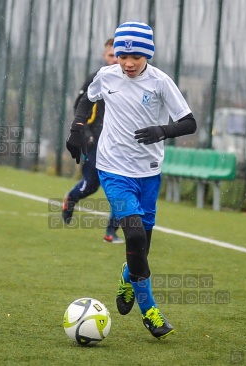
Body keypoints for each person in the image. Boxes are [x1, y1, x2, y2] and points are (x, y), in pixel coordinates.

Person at [66, 21, 196, 339]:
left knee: (141, 249)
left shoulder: (161, 82)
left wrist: (161, 131)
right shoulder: (107, 75)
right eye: (123, 56)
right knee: (134, 237)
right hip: (113, 170)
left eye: (135, 57)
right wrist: (77, 127)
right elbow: (88, 98)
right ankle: (150, 312)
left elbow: (189, 122)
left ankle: (128, 277)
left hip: (149, 173)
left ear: (147, 54)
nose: (127, 63)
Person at [62, 38, 124, 244]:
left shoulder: (130, 80)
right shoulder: (96, 78)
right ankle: (71, 198)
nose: (115, 60)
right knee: (91, 185)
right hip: (95, 141)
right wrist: (85, 133)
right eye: (111, 55)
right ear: (104, 56)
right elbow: (79, 107)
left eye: (119, 55)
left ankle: (110, 231)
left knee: (121, 187)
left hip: (121, 144)